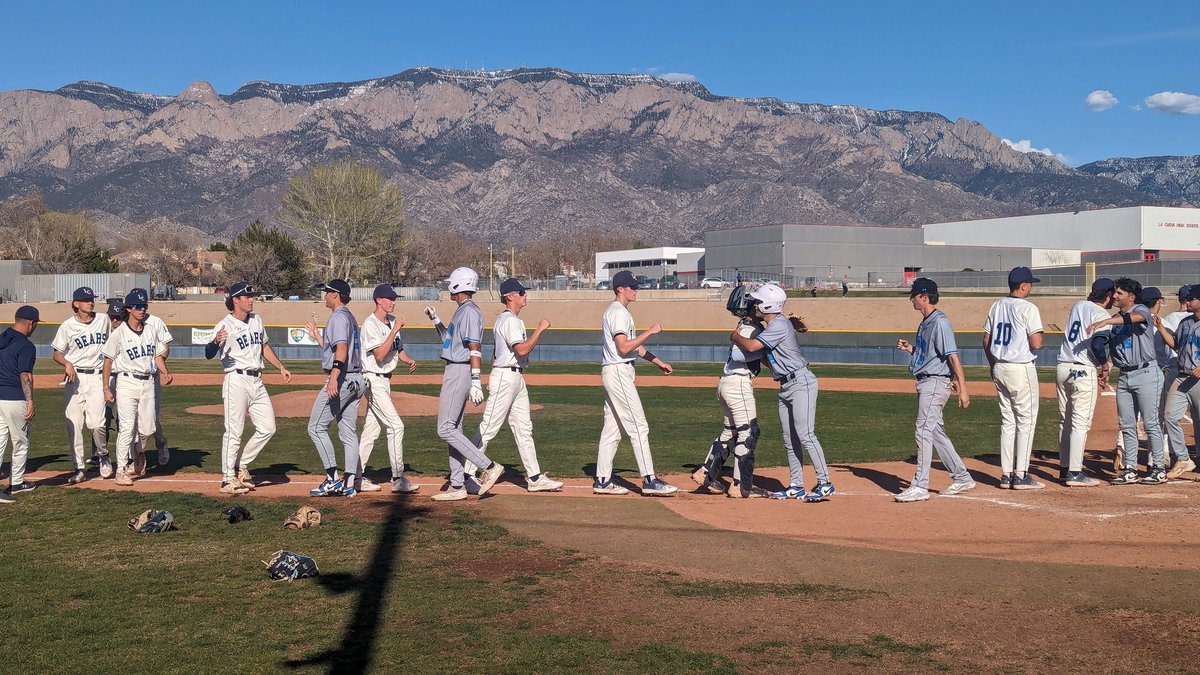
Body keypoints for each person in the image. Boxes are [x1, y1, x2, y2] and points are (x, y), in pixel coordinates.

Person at [731, 283, 836, 501]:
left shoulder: (778, 325)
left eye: (758, 302)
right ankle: (796, 485)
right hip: (786, 385)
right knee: (790, 439)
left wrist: (735, 336)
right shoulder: (775, 325)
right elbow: (767, 358)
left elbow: (751, 347)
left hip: (801, 382)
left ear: (769, 306)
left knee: (806, 435)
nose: (755, 305)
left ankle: (825, 483)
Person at [463, 278, 563, 492]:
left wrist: (493, 375)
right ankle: (467, 474)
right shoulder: (509, 320)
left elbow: (496, 353)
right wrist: (540, 329)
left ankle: (535, 478)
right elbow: (521, 350)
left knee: (524, 428)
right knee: (489, 427)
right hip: (506, 376)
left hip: (514, 378)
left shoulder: (509, 320)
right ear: (510, 297)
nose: (525, 295)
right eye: (521, 292)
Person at [592, 270, 677, 496]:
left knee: (613, 429)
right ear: (620, 289)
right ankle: (649, 479)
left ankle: (602, 480)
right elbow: (623, 348)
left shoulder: (620, 312)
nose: (636, 290)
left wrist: (658, 362)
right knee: (639, 426)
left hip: (617, 371)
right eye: (632, 286)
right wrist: (650, 332)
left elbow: (636, 348)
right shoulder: (617, 312)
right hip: (618, 371)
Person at [424, 267, 505, 501]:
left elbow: (474, 348)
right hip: (456, 367)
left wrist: (476, 380)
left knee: (445, 428)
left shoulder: (469, 311)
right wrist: (435, 320)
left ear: (458, 285)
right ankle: (458, 484)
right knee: (454, 429)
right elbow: (449, 342)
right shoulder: (462, 310)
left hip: (460, 370)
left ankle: (488, 467)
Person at [893, 278, 975, 502]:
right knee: (935, 432)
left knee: (923, 430)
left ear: (924, 297)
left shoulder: (940, 322)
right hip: (929, 381)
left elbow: (952, 356)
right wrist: (910, 349)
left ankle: (920, 485)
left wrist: (963, 387)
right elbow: (929, 356)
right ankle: (962, 477)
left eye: (914, 296)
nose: (911, 300)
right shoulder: (926, 322)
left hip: (935, 383)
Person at [206, 282, 292, 495]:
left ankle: (241, 465)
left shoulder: (256, 320)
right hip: (236, 380)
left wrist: (281, 367)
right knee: (234, 431)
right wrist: (216, 342)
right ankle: (227, 479)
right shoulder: (225, 325)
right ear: (235, 300)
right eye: (247, 296)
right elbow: (208, 353)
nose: (251, 299)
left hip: (257, 380)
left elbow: (264, 346)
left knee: (268, 427)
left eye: (252, 296)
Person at [1087, 277, 1167, 485]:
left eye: (1119, 293)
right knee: (1126, 424)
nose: (1114, 296)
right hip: (1125, 375)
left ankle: (1158, 468)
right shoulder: (1116, 318)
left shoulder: (1142, 310)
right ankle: (1130, 468)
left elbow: (1136, 318)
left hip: (1146, 372)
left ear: (1131, 297)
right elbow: (1113, 346)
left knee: (1151, 423)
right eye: (1115, 292)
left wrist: (1106, 321)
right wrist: (1106, 367)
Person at [100, 289, 173, 486]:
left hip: (148, 382)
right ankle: (121, 470)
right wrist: (106, 388)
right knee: (126, 427)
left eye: (144, 306)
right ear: (129, 309)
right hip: (127, 382)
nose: (142, 310)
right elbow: (107, 361)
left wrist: (165, 372)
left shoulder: (150, 330)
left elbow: (157, 356)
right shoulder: (120, 332)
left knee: (148, 428)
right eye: (138, 306)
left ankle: (138, 451)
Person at [692, 313, 767, 498]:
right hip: (738, 383)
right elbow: (738, 354)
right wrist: (765, 350)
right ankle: (741, 486)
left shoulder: (746, 326)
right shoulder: (751, 328)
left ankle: (705, 473)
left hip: (727, 382)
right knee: (748, 433)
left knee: (731, 431)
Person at [303, 279, 366, 497]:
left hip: (343, 379)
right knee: (348, 432)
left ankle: (332, 480)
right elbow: (337, 350)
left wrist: (333, 379)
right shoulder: (349, 317)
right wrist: (318, 337)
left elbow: (341, 350)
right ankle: (349, 483)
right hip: (357, 379)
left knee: (316, 428)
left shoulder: (338, 317)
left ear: (335, 295)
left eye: (327, 291)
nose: (325, 295)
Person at [983, 267, 1044, 489]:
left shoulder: (996, 305)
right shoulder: (1028, 308)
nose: (1031, 287)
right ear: (1024, 286)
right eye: (1030, 284)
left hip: (999, 365)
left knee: (1008, 422)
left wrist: (993, 365)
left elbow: (986, 340)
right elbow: (1036, 343)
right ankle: (1021, 475)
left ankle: (1007, 474)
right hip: (1020, 368)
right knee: (1026, 421)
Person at [356, 283, 420, 494]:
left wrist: (408, 360)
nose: (393, 302)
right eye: (390, 298)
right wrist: (394, 331)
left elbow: (397, 349)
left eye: (394, 298)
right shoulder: (370, 324)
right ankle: (397, 478)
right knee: (396, 426)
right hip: (373, 379)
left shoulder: (392, 321)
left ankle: (355, 476)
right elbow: (380, 355)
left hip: (385, 381)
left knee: (371, 432)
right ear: (378, 300)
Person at [1054, 278, 1114, 487]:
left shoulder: (1078, 305)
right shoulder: (1102, 315)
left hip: (1063, 366)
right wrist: (1104, 365)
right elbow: (1098, 344)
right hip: (1082, 368)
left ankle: (1064, 468)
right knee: (1080, 423)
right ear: (1108, 295)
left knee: (1065, 421)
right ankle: (1075, 472)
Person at [51, 287, 111, 484]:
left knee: (97, 423)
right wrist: (67, 363)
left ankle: (103, 455)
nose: (90, 302)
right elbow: (57, 353)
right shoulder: (67, 326)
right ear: (76, 304)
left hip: (97, 377)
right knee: (74, 424)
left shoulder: (103, 320)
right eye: (86, 300)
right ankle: (79, 468)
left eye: (91, 299)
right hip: (75, 379)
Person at [1157, 284, 1200, 479]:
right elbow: (1176, 345)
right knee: (1170, 416)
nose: (1187, 302)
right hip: (1183, 377)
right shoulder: (1185, 323)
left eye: (1191, 299)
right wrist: (1160, 328)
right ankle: (1183, 458)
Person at [0, 306, 40, 498]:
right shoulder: (26, 345)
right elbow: (25, 376)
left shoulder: (1, 338)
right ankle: (16, 483)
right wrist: (30, 401)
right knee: (20, 442)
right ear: (31, 323)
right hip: (15, 398)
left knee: (0, 440)